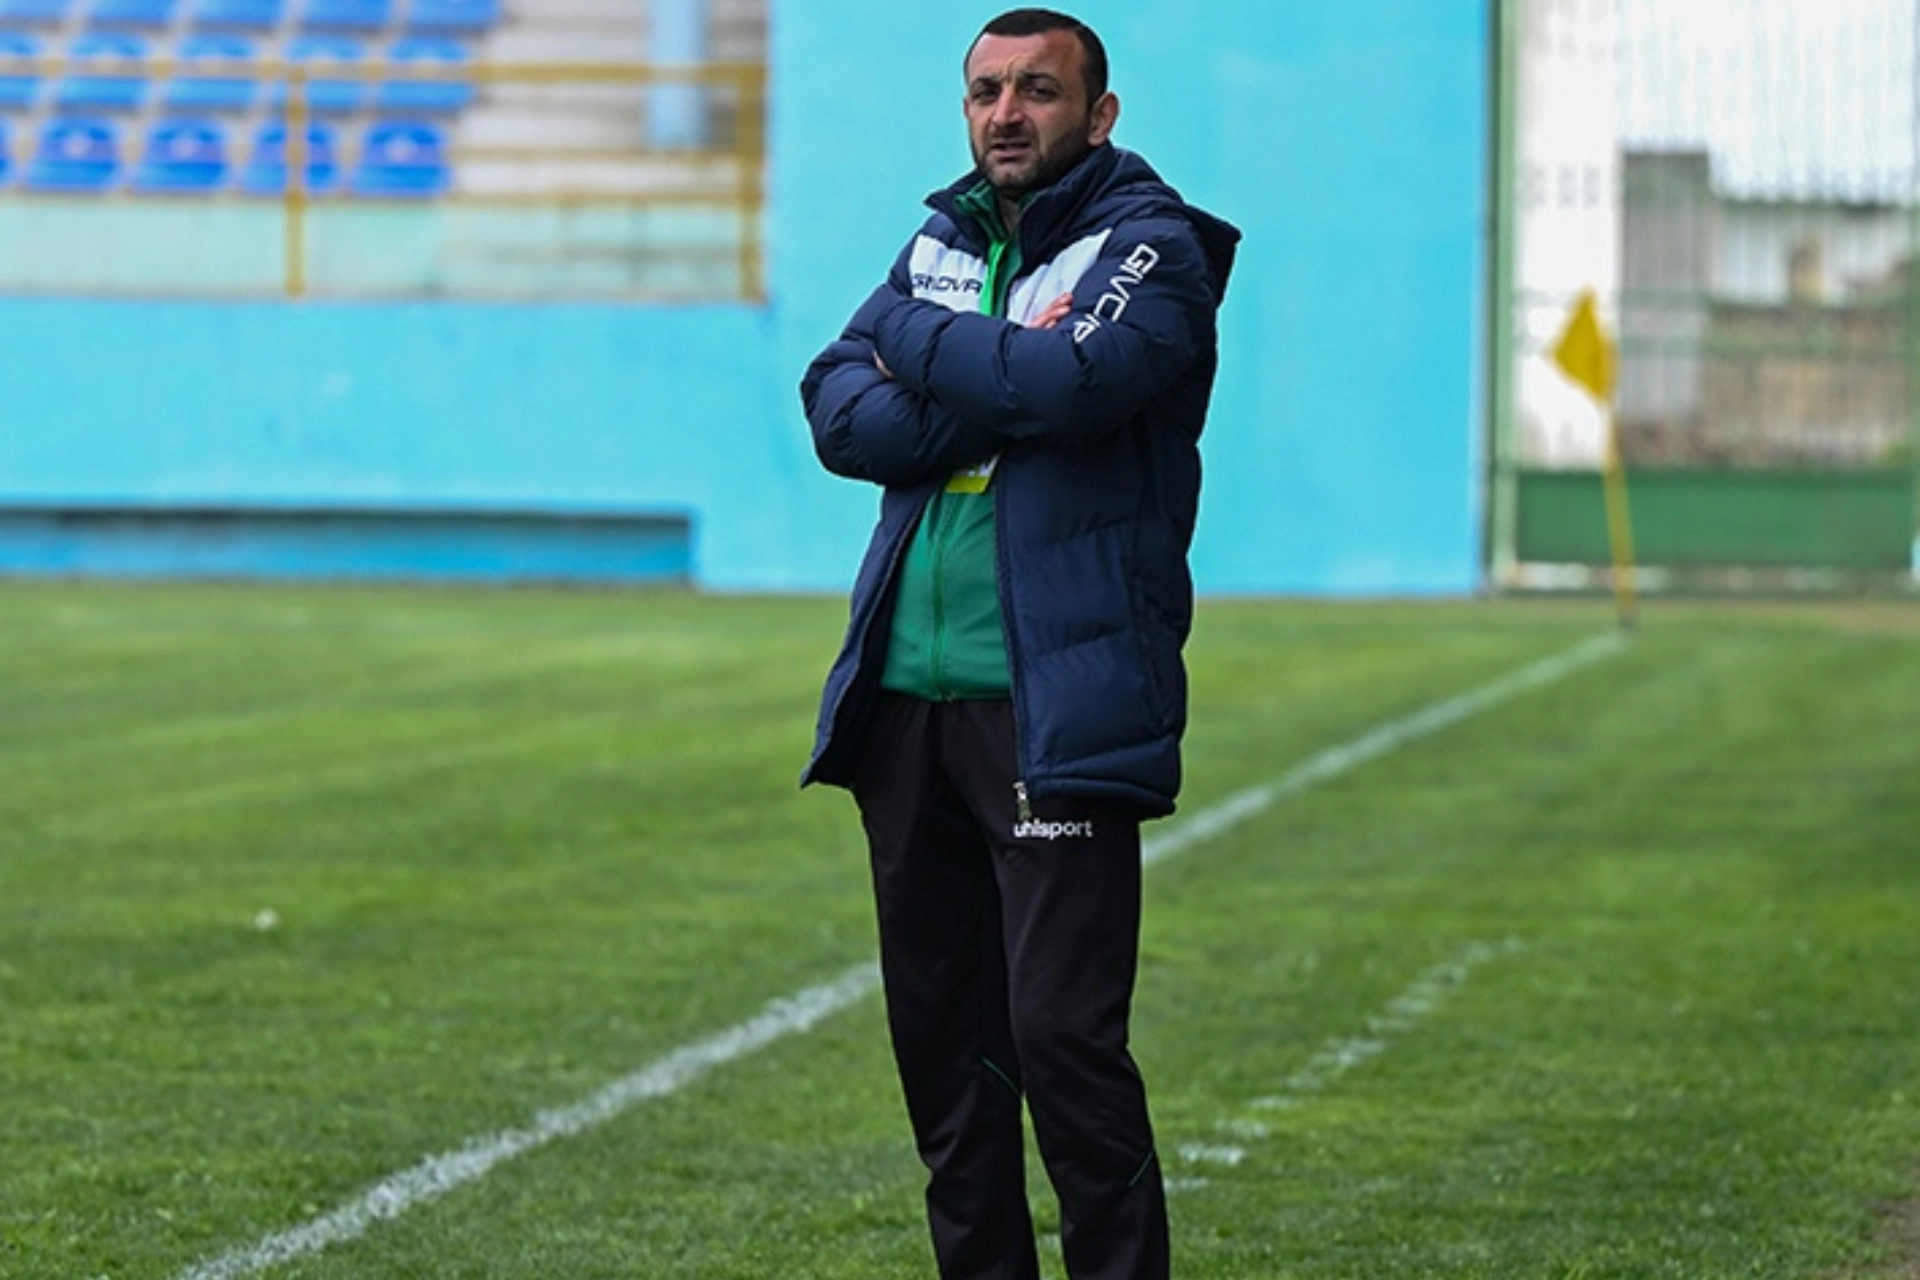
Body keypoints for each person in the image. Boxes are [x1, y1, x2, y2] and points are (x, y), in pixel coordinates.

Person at [798, 9, 1239, 1279]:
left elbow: (1074, 387)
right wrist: (995, 378)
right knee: (947, 1056)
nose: (1006, 113)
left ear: (1099, 114)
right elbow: (838, 410)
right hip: (904, 702)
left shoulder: (1154, 246)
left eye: (1037, 90)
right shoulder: (940, 239)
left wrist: (920, 347)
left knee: (1063, 1045)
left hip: (1053, 706)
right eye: (986, 89)